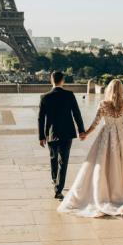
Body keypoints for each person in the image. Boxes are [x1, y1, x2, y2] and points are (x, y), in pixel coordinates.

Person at [58, 78, 123, 217]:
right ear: (121, 90)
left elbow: (96, 123)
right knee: (120, 165)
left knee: (102, 164)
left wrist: (85, 133)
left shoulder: (103, 104)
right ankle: (118, 192)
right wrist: (121, 129)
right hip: (121, 138)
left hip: (106, 137)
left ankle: (104, 193)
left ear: (109, 89)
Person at [38, 71, 86, 200]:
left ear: (51, 80)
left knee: (53, 158)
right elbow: (77, 114)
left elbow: (40, 119)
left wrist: (41, 136)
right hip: (67, 133)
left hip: (51, 134)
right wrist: (81, 130)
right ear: (62, 81)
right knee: (63, 162)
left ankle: (55, 180)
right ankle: (58, 189)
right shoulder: (69, 95)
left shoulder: (45, 97)